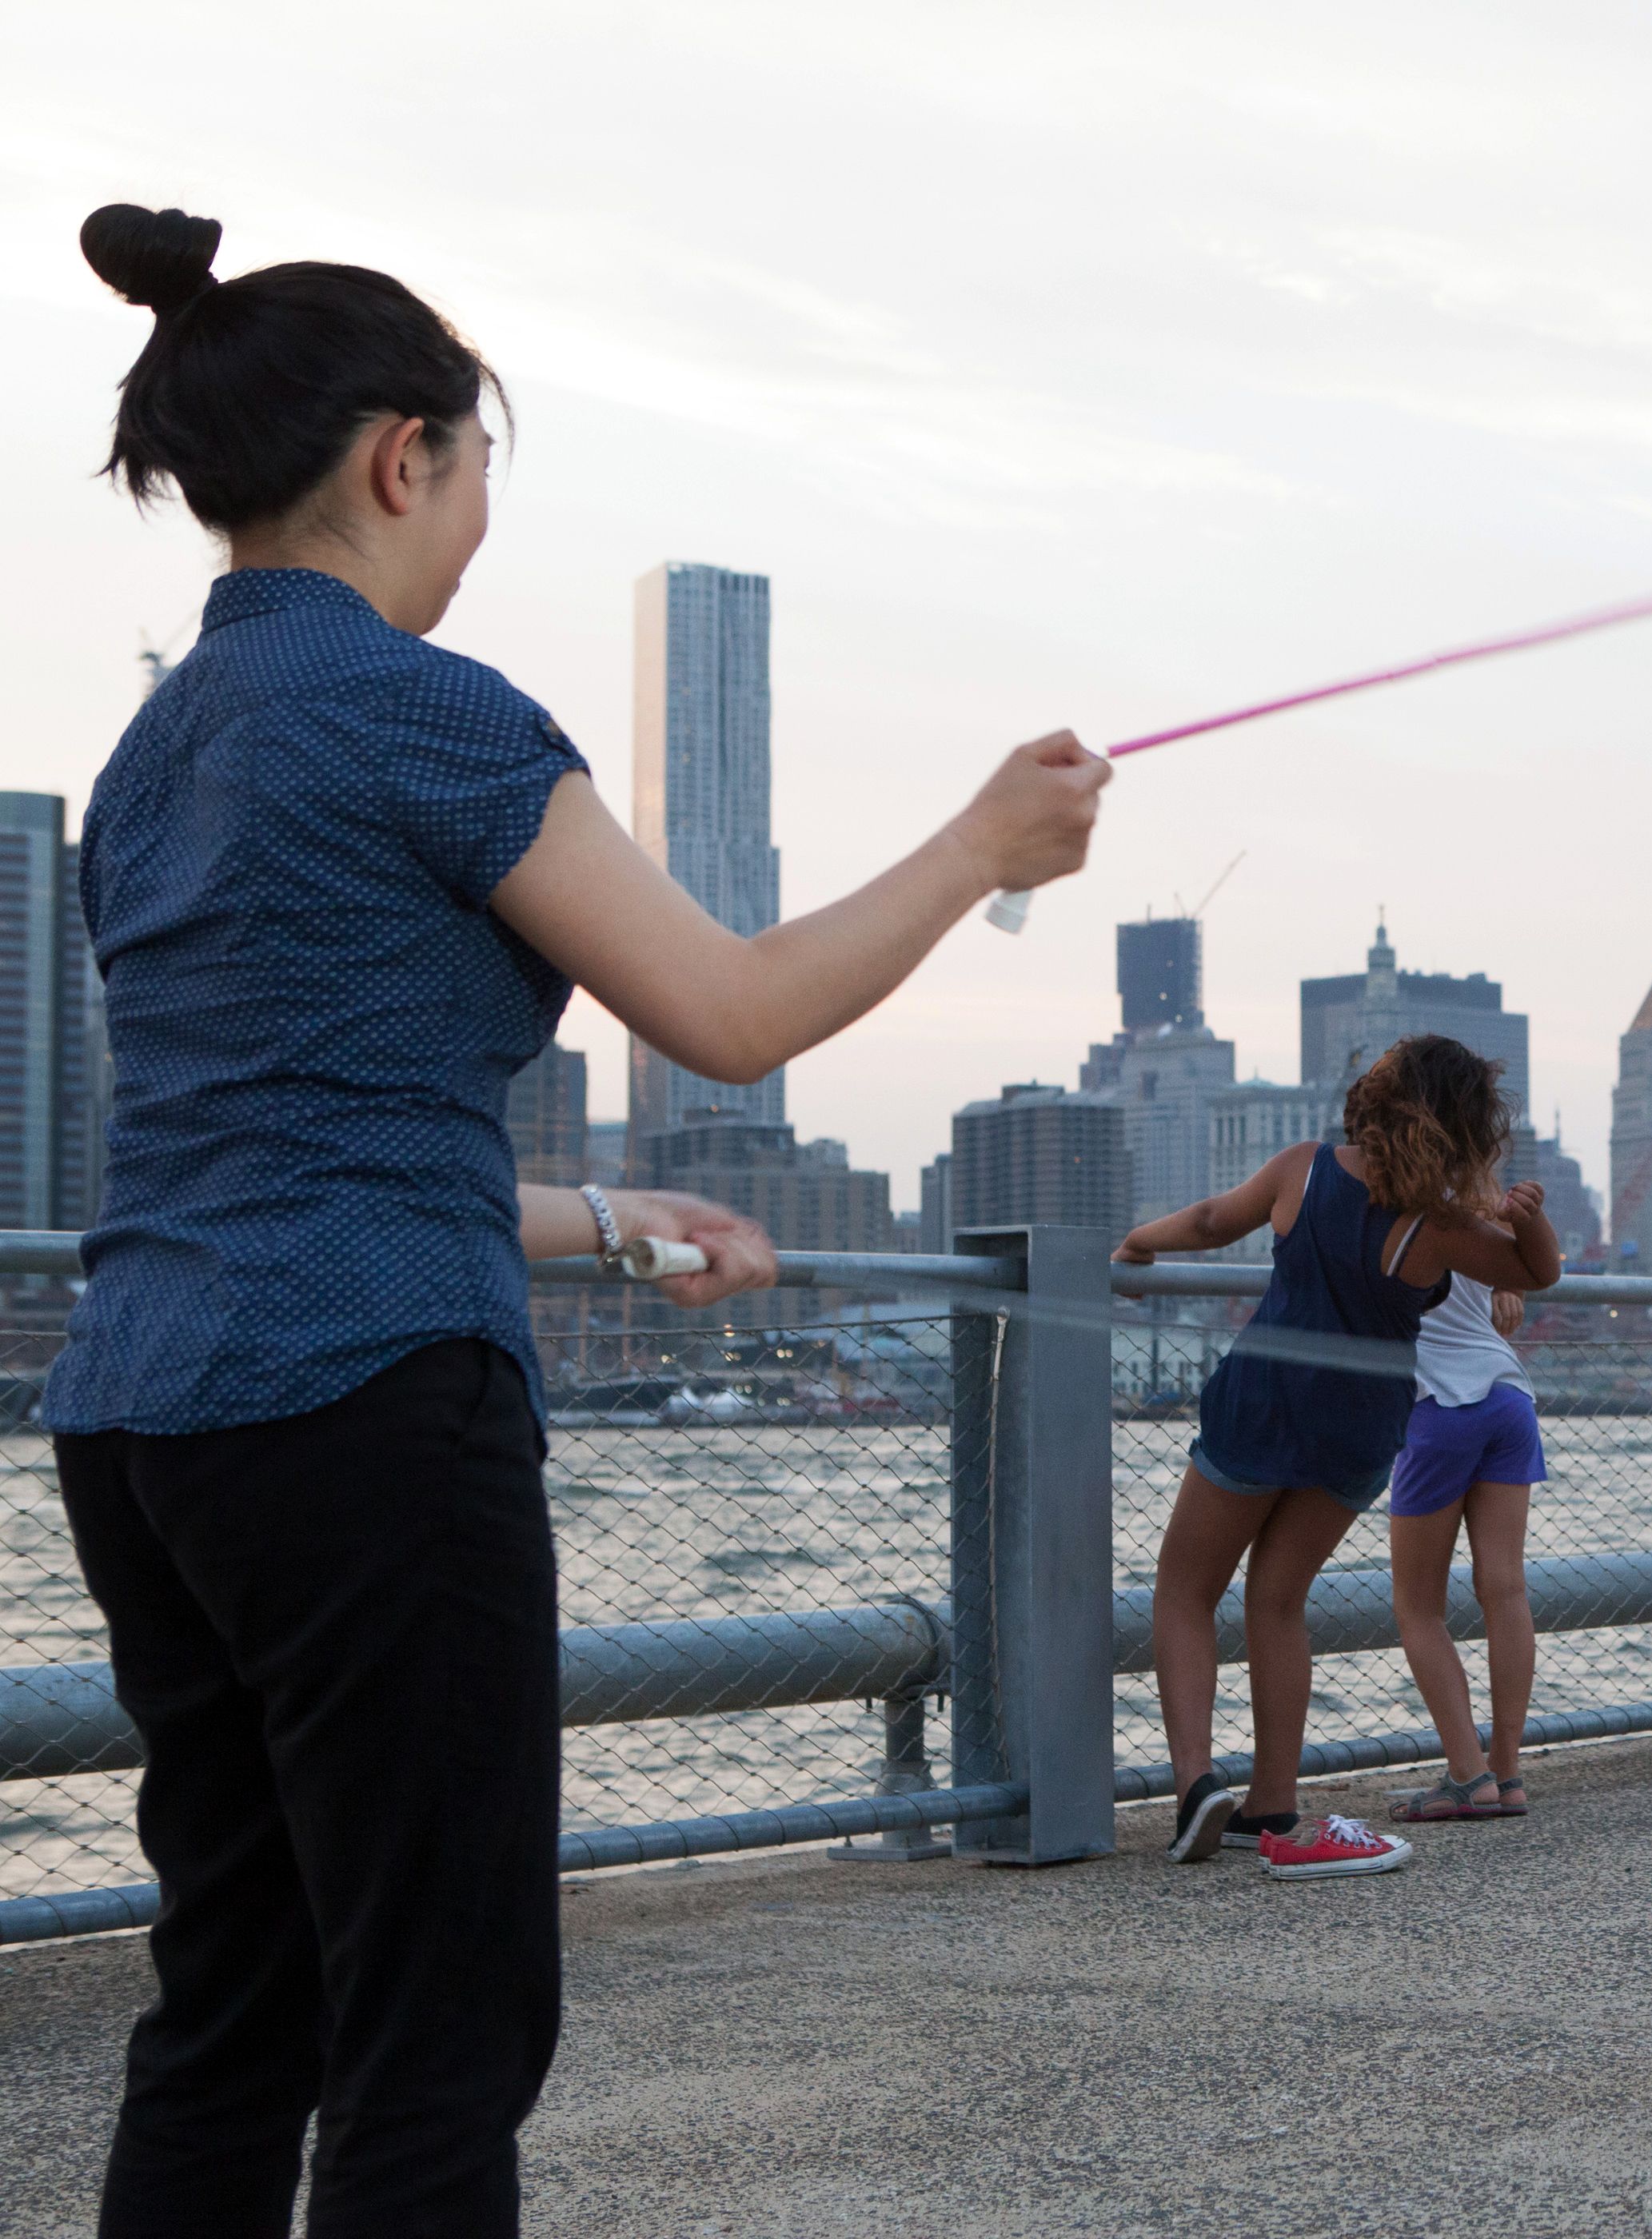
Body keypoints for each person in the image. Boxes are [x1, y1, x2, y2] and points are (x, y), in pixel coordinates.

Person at [49, 204, 1106, 2235]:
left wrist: (614, 1216)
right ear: (400, 458)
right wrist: (985, 841)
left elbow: (281, 1143)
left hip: (148, 1420)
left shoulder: (152, 752)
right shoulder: (421, 709)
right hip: (364, 1418)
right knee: (437, 2036)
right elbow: (729, 1012)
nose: (472, 527)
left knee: (235, 2002)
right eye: (474, 474)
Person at [1119, 1036, 1561, 1880]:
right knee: (1279, 1601)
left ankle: (1195, 1786)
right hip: (1362, 1427)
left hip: (1265, 1403)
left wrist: (1140, 1243)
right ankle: (1273, 1805)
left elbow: (1213, 1223)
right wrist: (1527, 1219)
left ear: (1371, 1100)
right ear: (1466, 1130)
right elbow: (1536, 1272)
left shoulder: (1304, 1168)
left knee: (1185, 1587)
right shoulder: (1438, 1228)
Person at [1387, 1275, 1545, 1822]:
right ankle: (1506, 1772)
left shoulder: (1383, 1201)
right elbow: (1513, 1271)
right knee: (1505, 1588)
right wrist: (1513, 1289)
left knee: (1418, 1606)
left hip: (1438, 1404)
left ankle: (1467, 1775)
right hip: (1508, 1397)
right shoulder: (1479, 1207)